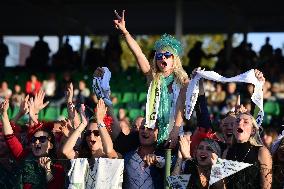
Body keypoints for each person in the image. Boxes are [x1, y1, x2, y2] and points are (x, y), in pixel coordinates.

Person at [114, 10, 188, 147]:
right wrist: (125, 32)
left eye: (167, 55)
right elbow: (139, 54)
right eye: (159, 56)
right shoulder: (153, 78)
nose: (163, 58)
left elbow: (182, 108)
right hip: (153, 136)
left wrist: (175, 131)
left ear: (174, 59)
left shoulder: (183, 81)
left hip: (176, 135)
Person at [1, 92, 64, 189]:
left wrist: (47, 170)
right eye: (34, 140)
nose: (36, 142)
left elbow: (55, 186)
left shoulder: (58, 165)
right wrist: (4, 114)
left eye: (42, 139)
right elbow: (9, 136)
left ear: (50, 145)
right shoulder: (24, 155)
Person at [223, 112, 272, 189]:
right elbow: (223, 185)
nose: (240, 123)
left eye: (245, 122)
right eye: (237, 121)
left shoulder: (262, 152)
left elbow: (266, 186)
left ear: (253, 131)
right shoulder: (227, 152)